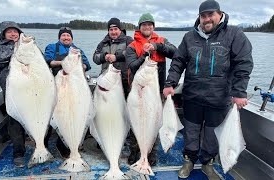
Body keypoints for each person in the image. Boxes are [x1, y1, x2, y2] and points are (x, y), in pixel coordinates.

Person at [163, 0, 253, 179]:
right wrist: (169, 83)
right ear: (199, 18)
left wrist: (240, 92)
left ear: (220, 14)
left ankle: (207, 163)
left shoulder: (234, 35)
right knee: (191, 132)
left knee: (212, 135)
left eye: (210, 15)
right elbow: (178, 61)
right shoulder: (189, 37)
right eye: (203, 16)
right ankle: (189, 160)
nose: (207, 19)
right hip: (192, 96)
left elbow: (243, 63)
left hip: (218, 99)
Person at [125, 13, 177, 166]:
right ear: (139, 27)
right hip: (138, 92)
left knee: (154, 123)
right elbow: (132, 65)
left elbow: (175, 53)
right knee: (136, 121)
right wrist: (145, 55)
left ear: (153, 26)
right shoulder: (132, 46)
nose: (147, 27)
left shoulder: (162, 41)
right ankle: (135, 152)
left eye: (150, 24)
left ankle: (151, 153)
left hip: (157, 91)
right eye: (144, 25)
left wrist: (156, 47)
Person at [44, 27, 91, 158]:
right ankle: (43, 146)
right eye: (63, 35)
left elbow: (87, 65)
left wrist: (77, 65)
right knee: (50, 116)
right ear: (59, 37)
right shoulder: (52, 47)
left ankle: (64, 145)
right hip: (55, 85)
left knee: (69, 115)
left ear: (72, 38)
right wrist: (64, 63)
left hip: (72, 87)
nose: (66, 37)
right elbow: (49, 61)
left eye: (68, 36)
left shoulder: (77, 50)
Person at [0, 21, 26, 168]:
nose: (13, 34)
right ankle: (19, 153)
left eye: (15, 31)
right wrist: (14, 49)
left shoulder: (27, 46)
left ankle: (41, 147)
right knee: (14, 122)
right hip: (11, 93)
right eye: (9, 31)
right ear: (3, 34)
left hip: (30, 91)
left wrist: (24, 47)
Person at [93, 17, 133, 98]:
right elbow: (95, 58)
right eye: (111, 29)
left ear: (120, 30)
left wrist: (116, 57)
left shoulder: (128, 40)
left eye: (115, 29)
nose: (113, 32)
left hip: (123, 82)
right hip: (105, 81)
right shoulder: (103, 43)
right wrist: (104, 57)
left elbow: (131, 53)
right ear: (108, 31)